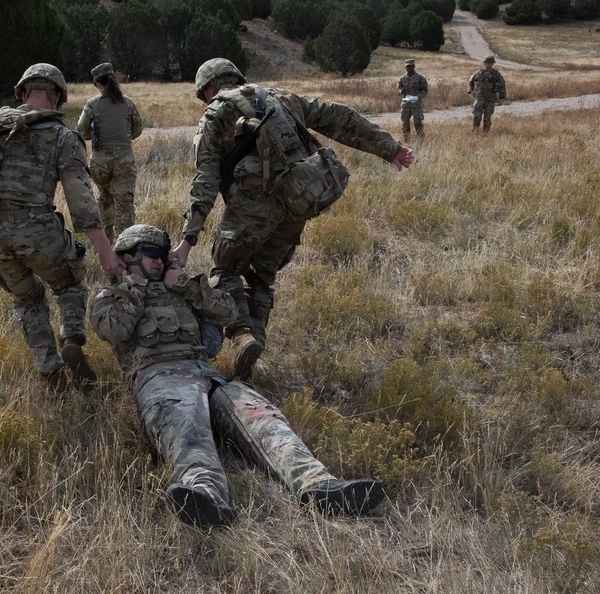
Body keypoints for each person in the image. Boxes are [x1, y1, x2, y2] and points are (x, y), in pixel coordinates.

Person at [91, 224, 385, 528]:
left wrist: (187, 285)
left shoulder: (181, 288)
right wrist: (134, 286)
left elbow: (229, 313)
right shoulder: (109, 297)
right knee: (186, 425)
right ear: (126, 257)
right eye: (151, 254)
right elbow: (114, 329)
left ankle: (317, 484)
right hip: (160, 378)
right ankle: (206, 496)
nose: (160, 261)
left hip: (208, 376)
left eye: (164, 255)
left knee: (263, 417)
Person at [170, 58, 414, 380]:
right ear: (237, 77)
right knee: (262, 276)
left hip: (252, 206)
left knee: (225, 270)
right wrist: (390, 148)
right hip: (299, 201)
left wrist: (188, 240)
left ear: (206, 89)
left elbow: (205, 180)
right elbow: (340, 117)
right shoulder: (283, 97)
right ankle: (251, 355)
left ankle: (243, 335)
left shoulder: (215, 113)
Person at [0, 63, 122, 390]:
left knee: (27, 300)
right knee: (69, 282)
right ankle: (71, 338)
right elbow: (82, 203)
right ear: (56, 96)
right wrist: (106, 253)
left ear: (24, 92)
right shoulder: (61, 137)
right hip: (38, 230)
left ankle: (49, 366)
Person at [77, 62, 144, 243]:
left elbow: (81, 131)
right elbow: (138, 130)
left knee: (105, 199)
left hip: (99, 162)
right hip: (124, 161)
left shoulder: (92, 105)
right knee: (125, 206)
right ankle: (126, 245)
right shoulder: (128, 103)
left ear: (97, 84)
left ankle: (105, 243)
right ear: (114, 80)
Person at [468, 55, 507, 133]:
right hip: (480, 97)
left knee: (487, 117)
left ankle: (485, 133)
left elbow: (502, 85)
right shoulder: (479, 73)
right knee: (477, 116)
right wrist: (471, 91)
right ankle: (475, 130)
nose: (488, 64)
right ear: (484, 63)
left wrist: (501, 98)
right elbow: (471, 81)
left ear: (492, 64)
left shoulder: (496, 74)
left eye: (489, 63)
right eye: (486, 63)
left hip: (490, 99)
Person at [397, 58, 428, 142]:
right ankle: (407, 141)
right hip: (406, 104)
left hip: (416, 105)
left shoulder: (420, 78)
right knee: (405, 124)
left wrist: (418, 96)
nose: (409, 68)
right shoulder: (402, 78)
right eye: (407, 66)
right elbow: (398, 89)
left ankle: (421, 141)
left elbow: (425, 90)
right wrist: (401, 91)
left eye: (410, 66)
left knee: (418, 123)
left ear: (414, 66)